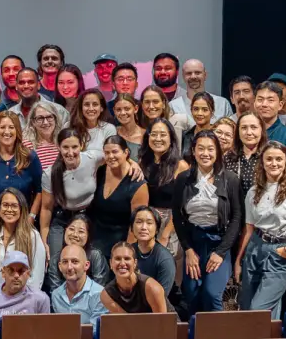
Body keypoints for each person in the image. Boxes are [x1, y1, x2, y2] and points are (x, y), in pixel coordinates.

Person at [41, 127, 139, 288]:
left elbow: (116, 156)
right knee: (56, 259)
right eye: (65, 147)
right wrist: (45, 240)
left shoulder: (92, 157)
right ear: (58, 147)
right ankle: (58, 300)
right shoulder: (50, 173)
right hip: (63, 218)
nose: (70, 152)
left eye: (74, 147)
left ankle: (95, 296)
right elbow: (46, 208)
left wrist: (132, 162)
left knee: (93, 256)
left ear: (81, 146)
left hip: (89, 216)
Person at [234, 141, 286, 319]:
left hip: (280, 251)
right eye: (269, 159)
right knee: (249, 306)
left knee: (258, 311)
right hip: (256, 248)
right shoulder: (253, 192)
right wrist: (239, 260)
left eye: (279, 159)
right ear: (262, 162)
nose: (274, 163)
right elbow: (249, 228)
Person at [173, 131, 243, 313]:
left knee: (212, 294)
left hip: (219, 242)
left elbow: (237, 218)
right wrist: (187, 250)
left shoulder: (230, 179)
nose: (205, 153)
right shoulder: (183, 179)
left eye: (210, 149)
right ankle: (194, 338)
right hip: (193, 243)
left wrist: (220, 252)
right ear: (193, 152)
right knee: (192, 292)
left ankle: (217, 338)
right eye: (201, 149)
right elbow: (177, 216)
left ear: (218, 152)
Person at [88, 135, 150, 273]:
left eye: (115, 152)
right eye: (107, 152)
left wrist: (125, 252)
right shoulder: (101, 171)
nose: (111, 156)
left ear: (126, 153)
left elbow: (137, 223)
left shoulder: (137, 184)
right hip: (95, 238)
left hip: (120, 240)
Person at [0, 111, 42, 228]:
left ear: (17, 131)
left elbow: (39, 191)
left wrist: (31, 217)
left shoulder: (30, 157)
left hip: (22, 225)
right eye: (2, 127)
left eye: (11, 127)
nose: (7, 132)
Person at [0, 188, 47, 285]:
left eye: (14, 206)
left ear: (22, 209)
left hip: (23, 296)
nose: (9, 210)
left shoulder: (33, 236)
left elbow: (37, 277)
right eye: (5, 205)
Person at [140, 119, 186, 261]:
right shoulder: (142, 163)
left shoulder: (181, 166)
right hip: (147, 221)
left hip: (171, 223)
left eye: (163, 134)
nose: (158, 139)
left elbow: (183, 205)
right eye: (154, 134)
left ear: (171, 138)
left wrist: (166, 233)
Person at [0, 249, 51, 325]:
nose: (16, 275)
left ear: (28, 274)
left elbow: (43, 334)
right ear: (3, 273)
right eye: (11, 271)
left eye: (21, 271)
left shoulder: (41, 299)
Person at [102, 242, 168, 313]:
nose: (122, 263)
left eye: (127, 259)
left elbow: (162, 322)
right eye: (118, 259)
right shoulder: (107, 295)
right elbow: (125, 321)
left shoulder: (152, 288)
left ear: (135, 263)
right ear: (111, 263)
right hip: (132, 324)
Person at [51, 244, 106, 326]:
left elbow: (96, 332)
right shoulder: (56, 295)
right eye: (65, 262)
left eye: (75, 261)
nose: (69, 267)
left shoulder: (99, 294)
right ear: (60, 266)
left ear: (86, 265)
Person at [131, 206, 176, 296]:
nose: (143, 227)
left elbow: (161, 297)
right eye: (139, 222)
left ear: (157, 229)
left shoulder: (165, 258)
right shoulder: (128, 252)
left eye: (149, 223)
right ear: (131, 228)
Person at [168, 59, 233, 121]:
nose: (193, 76)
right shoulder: (173, 106)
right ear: (183, 77)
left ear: (205, 75)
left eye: (197, 73)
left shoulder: (222, 104)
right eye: (189, 73)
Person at [255, 82, 286, 151]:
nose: (264, 104)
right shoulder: (245, 134)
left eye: (270, 100)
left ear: (280, 105)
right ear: (254, 103)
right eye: (260, 100)